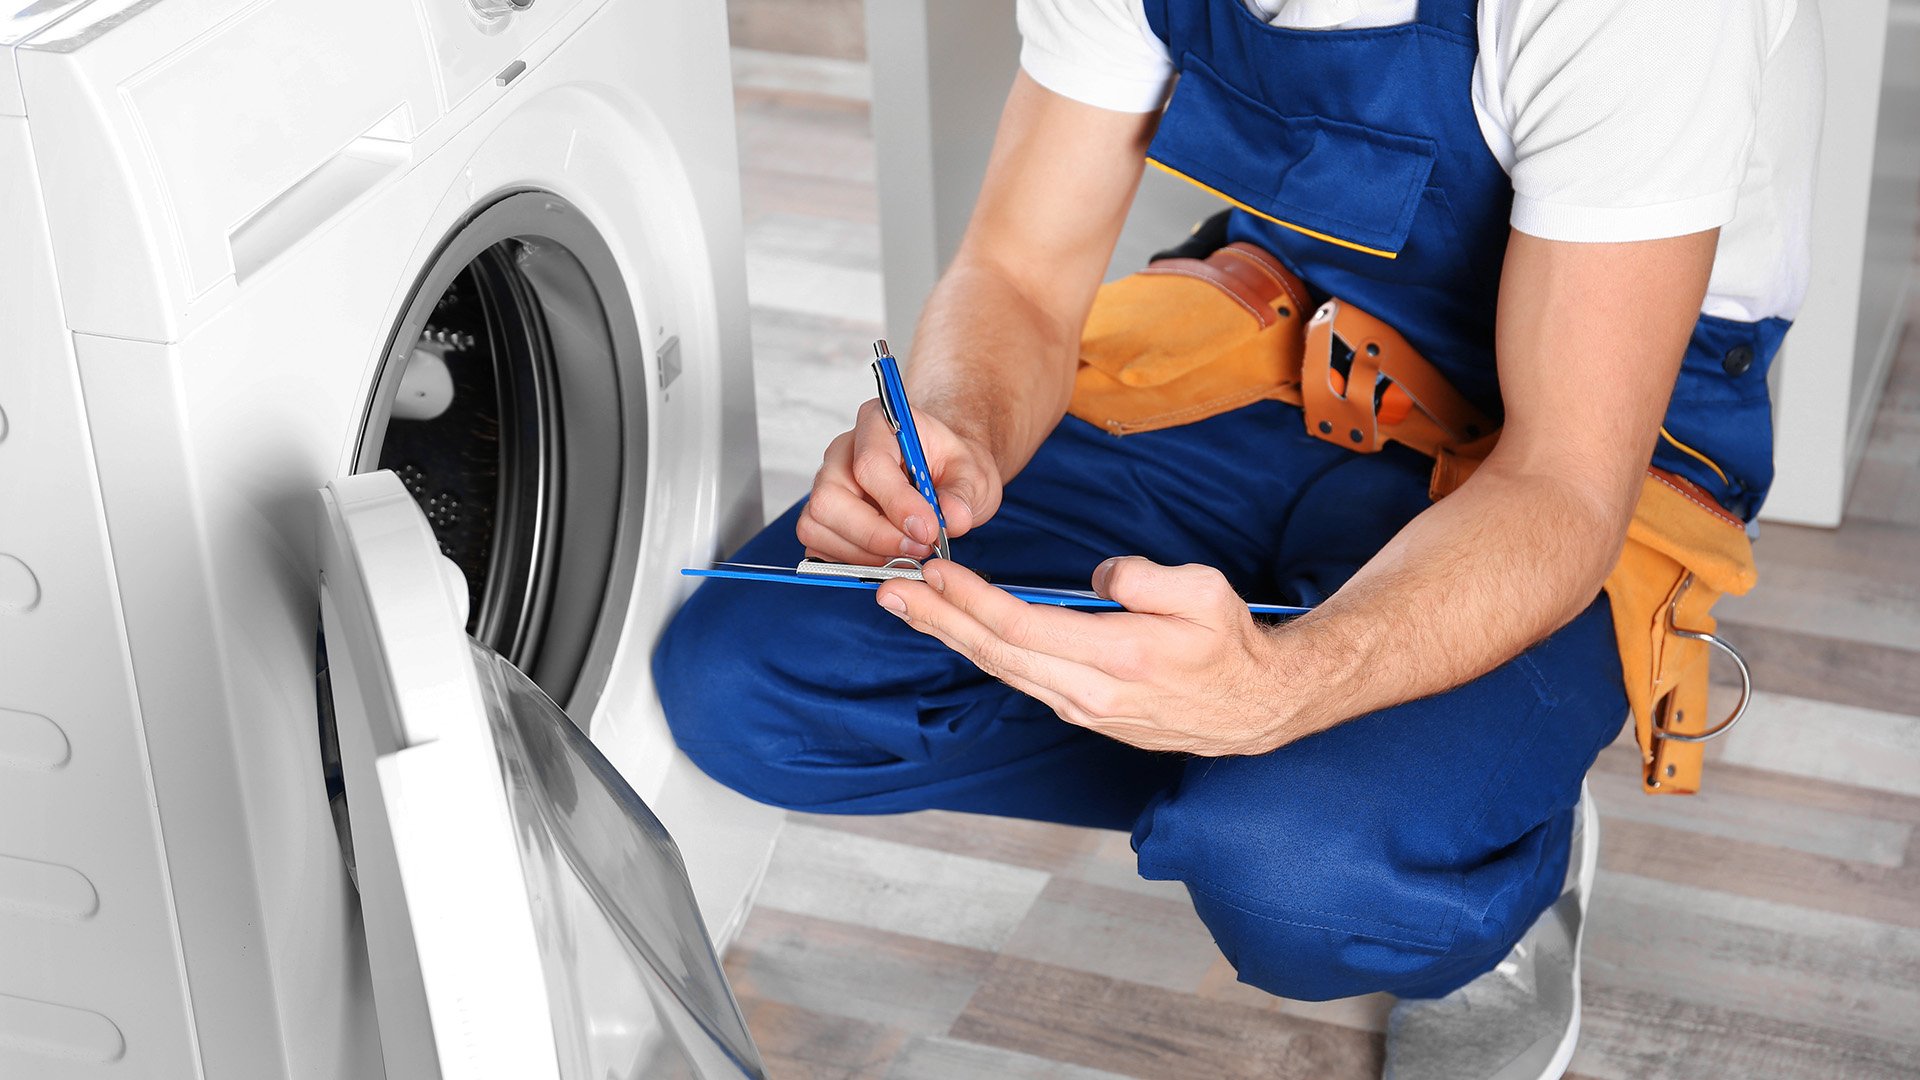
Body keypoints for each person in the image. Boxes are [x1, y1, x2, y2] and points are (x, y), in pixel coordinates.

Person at [657, 0, 1820, 1074]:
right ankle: (1371, 786)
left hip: (1573, 443)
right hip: (1273, 348)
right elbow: (1017, 271)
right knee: (742, 680)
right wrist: (959, 425)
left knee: (1300, 878)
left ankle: (1477, 841)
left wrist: (1288, 690)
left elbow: (1563, 479)